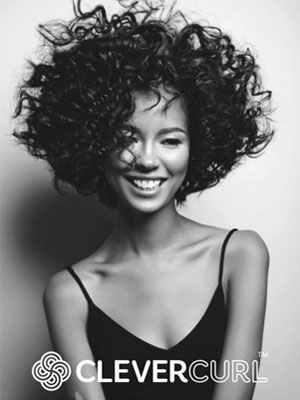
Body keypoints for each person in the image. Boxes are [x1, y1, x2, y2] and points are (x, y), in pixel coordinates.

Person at [13, 0, 274, 399]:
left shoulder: (241, 255)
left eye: (170, 140)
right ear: (93, 143)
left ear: (197, 147)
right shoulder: (68, 294)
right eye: (125, 138)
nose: (148, 160)